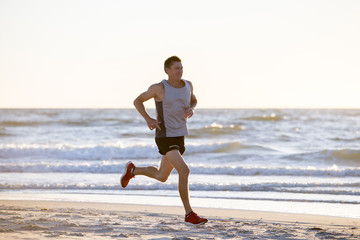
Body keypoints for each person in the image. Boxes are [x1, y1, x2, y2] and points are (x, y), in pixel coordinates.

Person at [120, 56, 208, 225]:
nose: (180, 71)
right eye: (176, 68)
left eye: (181, 68)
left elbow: (193, 99)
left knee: (162, 176)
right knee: (184, 171)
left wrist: (192, 108)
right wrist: (148, 119)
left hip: (180, 135)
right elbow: (137, 101)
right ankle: (189, 213)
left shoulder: (188, 85)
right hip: (164, 135)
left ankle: (132, 171)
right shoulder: (159, 88)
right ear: (167, 70)